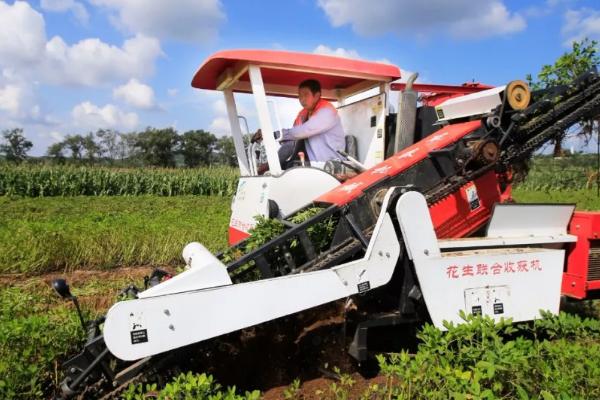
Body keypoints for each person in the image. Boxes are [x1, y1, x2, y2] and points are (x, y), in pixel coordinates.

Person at [252, 79, 345, 172]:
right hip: (313, 162)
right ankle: (270, 165)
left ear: (316, 96)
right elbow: (293, 134)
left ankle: (269, 166)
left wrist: (275, 135)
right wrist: (270, 135)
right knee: (287, 163)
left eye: (305, 95)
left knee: (291, 165)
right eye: (300, 96)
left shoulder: (327, 111)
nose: (302, 99)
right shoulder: (304, 113)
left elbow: (303, 131)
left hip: (330, 164)